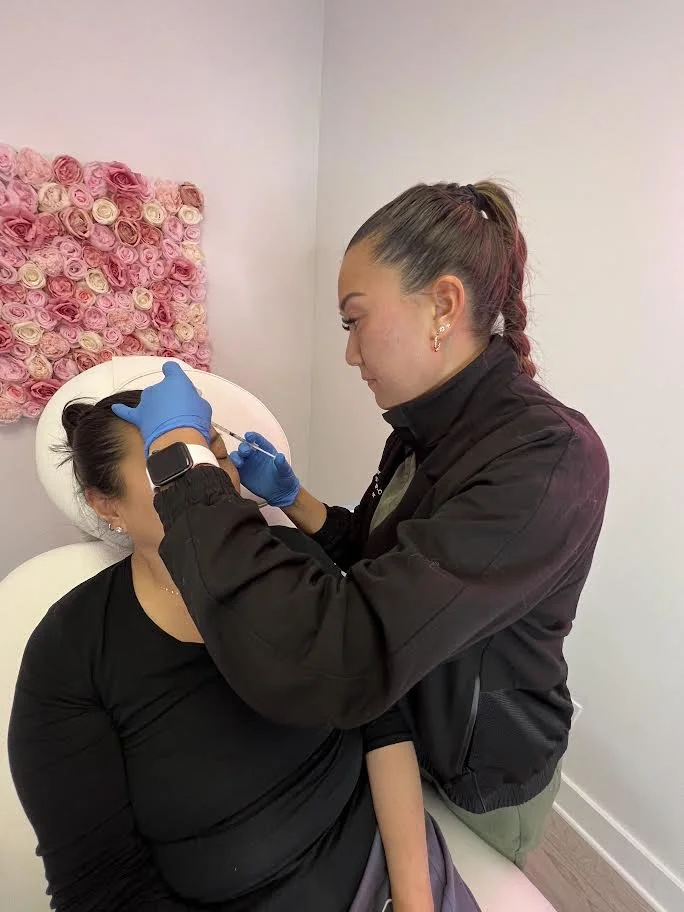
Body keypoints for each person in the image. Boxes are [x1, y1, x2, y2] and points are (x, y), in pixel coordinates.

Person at [112, 181, 609, 868]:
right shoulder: (424, 428)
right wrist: (294, 498)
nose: (349, 354)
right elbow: (387, 563)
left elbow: (344, 648)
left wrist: (183, 464)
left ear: (442, 305)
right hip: (404, 724)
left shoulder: (547, 461)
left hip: (479, 771)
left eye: (354, 321)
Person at [8, 392, 480, 912]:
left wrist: (415, 898)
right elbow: (101, 888)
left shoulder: (290, 562)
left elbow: (381, 720)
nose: (203, 474)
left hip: (386, 874)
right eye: (168, 459)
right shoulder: (70, 653)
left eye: (210, 449)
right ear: (107, 504)